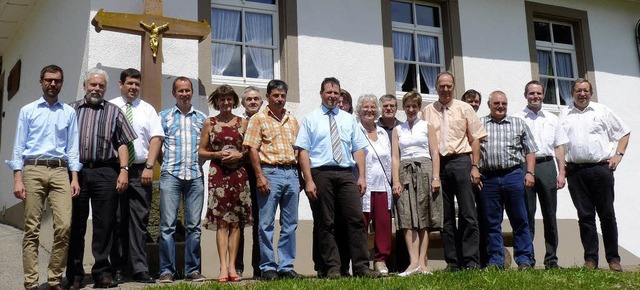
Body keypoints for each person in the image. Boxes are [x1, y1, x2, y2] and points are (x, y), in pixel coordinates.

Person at [295, 77, 380, 278]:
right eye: (329, 92)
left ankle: (361, 266)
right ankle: (332, 267)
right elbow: (303, 151)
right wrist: (308, 180)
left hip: (345, 173)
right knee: (326, 222)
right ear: (321, 94)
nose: (332, 96)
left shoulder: (348, 119)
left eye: (336, 93)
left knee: (355, 219)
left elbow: (358, 148)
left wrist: (362, 177)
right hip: (321, 173)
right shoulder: (311, 119)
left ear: (339, 95)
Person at [5, 65, 81, 290]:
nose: (52, 84)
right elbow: (18, 146)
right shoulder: (28, 110)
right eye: (48, 80)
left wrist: (74, 177)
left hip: (60, 171)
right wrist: (17, 178)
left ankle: (55, 278)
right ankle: (31, 282)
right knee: (32, 228)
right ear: (41, 82)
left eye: (57, 80)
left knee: (64, 226)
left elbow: (73, 147)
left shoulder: (68, 112)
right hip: (33, 169)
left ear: (61, 83)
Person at [67, 68, 138, 289]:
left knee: (105, 224)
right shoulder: (71, 110)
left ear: (105, 88)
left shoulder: (114, 111)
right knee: (75, 223)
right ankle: (75, 274)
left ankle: (101, 272)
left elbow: (123, 142)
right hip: (76, 172)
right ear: (85, 86)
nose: (96, 89)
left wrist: (124, 170)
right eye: (93, 85)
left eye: (101, 86)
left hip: (106, 172)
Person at [559, 78, 630, 272]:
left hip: (601, 170)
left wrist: (618, 154)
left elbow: (624, 132)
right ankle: (591, 260)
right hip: (575, 171)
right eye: (578, 91)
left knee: (607, 215)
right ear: (572, 93)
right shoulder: (564, 114)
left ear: (590, 93)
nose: (582, 94)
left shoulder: (602, 111)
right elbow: (559, 144)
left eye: (585, 91)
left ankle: (613, 259)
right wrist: (562, 171)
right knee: (585, 217)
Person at [421, 72, 487, 270]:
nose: (446, 89)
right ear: (436, 87)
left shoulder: (464, 108)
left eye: (449, 86)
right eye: (442, 86)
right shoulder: (427, 111)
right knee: (446, 217)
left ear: (454, 86)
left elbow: (475, 138)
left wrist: (475, 166)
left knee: (468, 213)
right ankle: (453, 262)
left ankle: (471, 261)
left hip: (460, 161)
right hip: (438, 163)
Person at [108, 68, 163, 284]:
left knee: (139, 221)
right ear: (121, 84)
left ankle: (140, 269)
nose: (133, 88)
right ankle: (118, 269)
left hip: (141, 171)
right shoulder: (111, 107)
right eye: (130, 83)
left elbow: (156, 139)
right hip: (115, 171)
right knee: (117, 220)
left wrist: (150, 166)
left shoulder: (147, 109)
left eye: (137, 84)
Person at [243, 80, 301, 280]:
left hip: (291, 172)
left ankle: (286, 265)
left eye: (283, 96)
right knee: (266, 223)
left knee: (290, 223)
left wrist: (300, 176)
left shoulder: (291, 119)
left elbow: (299, 149)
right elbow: (251, 148)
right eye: (275, 95)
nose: (279, 99)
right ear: (267, 97)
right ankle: (268, 266)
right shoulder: (258, 119)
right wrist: (259, 176)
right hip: (270, 173)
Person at [199, 84, 252, 282]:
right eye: (222, 99)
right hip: (218, 174)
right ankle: (222, 267)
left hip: (239, 174)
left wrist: (240, 154)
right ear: (216, 102)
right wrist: (216, 154)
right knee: (222, 222)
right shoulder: (210, 122)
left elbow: (250, 150)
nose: (226, 102)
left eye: (229, 99)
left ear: (234, 101)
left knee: (236, 222)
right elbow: (201, 151)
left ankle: (232, 267)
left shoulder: (243, 122)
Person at [513, 81, 569, 269]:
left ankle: (551, 259)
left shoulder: (553, 118)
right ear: (525, 95)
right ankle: (527, 259)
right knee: (526, 215)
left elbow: (559, 146)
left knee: (550, 214)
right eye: (531, 93)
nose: (535, 96)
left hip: (547, 165)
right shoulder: (517, 118)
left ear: (543, 95)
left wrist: (561, 172)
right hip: (524, 168)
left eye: (538, 93)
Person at [478, 91, 536, 270]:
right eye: (496, 103)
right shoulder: (480, 124)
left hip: (513, 175)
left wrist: (530, 173)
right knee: (491, 222)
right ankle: (496, 260)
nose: (500, 107)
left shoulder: (518, 123)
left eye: (503, 103)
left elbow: (530, 150)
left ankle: (525, 259)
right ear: (489, 105)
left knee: (519, 219)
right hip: (488, 178)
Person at [157, 77, 208, 283]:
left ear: (192, 92)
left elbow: (206, 148)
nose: (184, 94)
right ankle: (166, 270)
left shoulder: (203, 118)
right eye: (180, 91)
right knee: (167, 226)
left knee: (194, 226)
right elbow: (157, 145)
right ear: (174, 93)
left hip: (195, 175)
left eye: (187, 90)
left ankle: (192, 270)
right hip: (171, 174)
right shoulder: (164, 116)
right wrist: (165, 166)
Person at [391, 91, 442, 276]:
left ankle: (423, 263)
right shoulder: (398, 129)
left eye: (414, 106)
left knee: (424, 215)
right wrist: (396, 179)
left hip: (425, 170)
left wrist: (436, 177)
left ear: (419, 108)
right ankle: (412, 263)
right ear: (403, 108)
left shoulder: (427, 126)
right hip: (405, 171)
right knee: (406, 215)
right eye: (407, 106)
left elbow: (435, 153)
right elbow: (395, 156)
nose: (411, 109)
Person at [355, 94, 393, 276]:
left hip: (383, 187)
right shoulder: (355, 130)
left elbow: (392, 158)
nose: (369, 110)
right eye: (365, 107)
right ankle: (360, 263)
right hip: (363, 187)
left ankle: (380, 261)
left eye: (372, 107)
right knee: (360, 225)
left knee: (384, 226)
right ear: (359, 110)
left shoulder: (384, 133)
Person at [237, 86, 263, 277]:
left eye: (256, 99)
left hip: (260, 175)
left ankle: (259, 268)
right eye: (249, 99)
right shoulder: (237, 123)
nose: (253, 102)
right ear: (243, 103)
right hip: (239, 174)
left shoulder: (267, 121)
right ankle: (237, 267)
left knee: (260, 222)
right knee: (238, 222)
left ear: (261, 102)